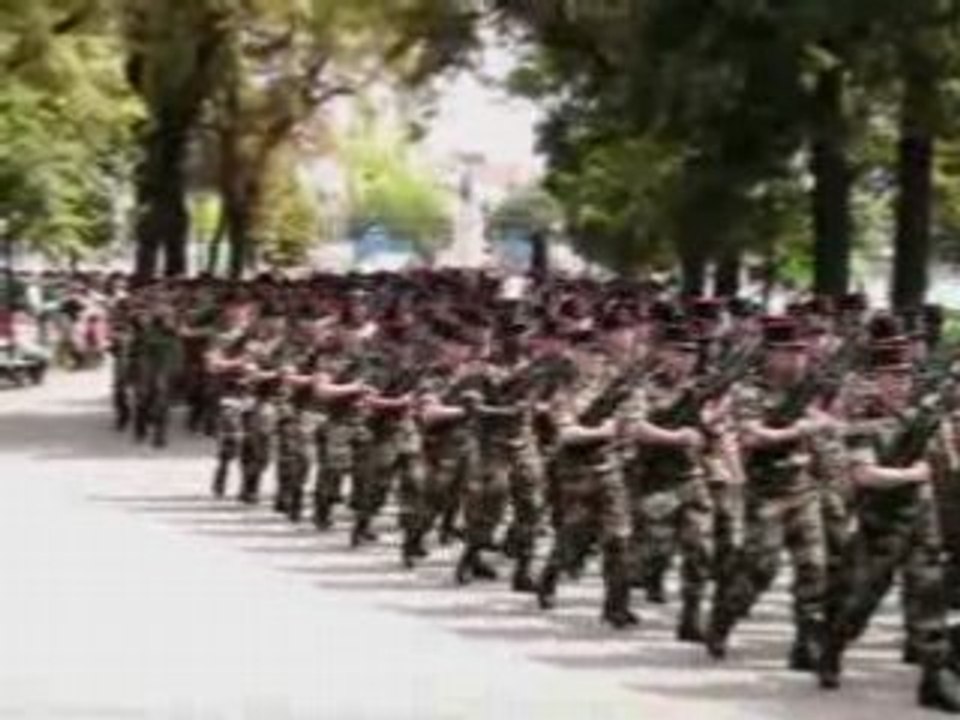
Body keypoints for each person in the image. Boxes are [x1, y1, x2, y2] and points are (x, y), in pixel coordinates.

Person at [819, 340, 960, 713]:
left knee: (929, 600)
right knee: (859, 601)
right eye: (892, 377)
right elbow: (864, 475)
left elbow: (946, 460)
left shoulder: (925, 416)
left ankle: (934, 679)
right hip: (880, 524)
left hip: (921, 520)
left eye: (905, 377)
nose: (900, 384)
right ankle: (832, 648)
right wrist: (912, 474)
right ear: (876, 379)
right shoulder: (864, 419)